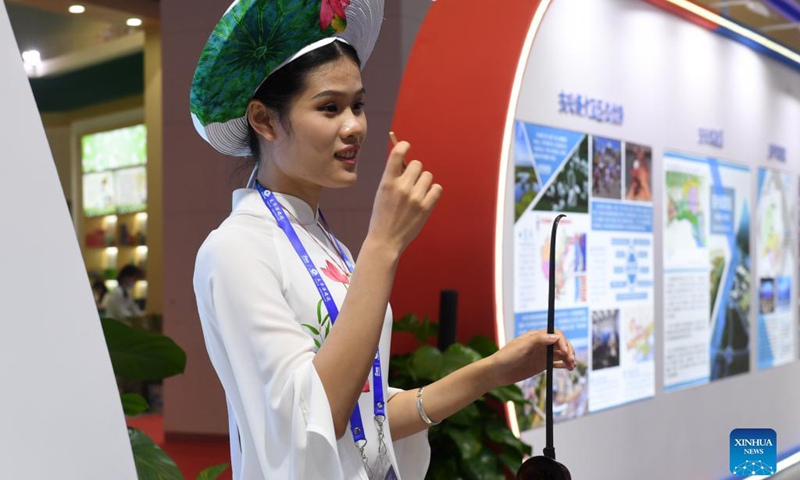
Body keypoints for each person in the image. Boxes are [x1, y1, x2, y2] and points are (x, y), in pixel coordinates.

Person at [190, 2, 576, 479]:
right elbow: (311, 423)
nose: (353, 126)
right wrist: (384, 244)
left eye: (358, 105)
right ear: (264, 121)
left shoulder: (327, 244)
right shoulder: (235, 251)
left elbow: (366, 418)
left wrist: (492, 372)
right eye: (329, 107)